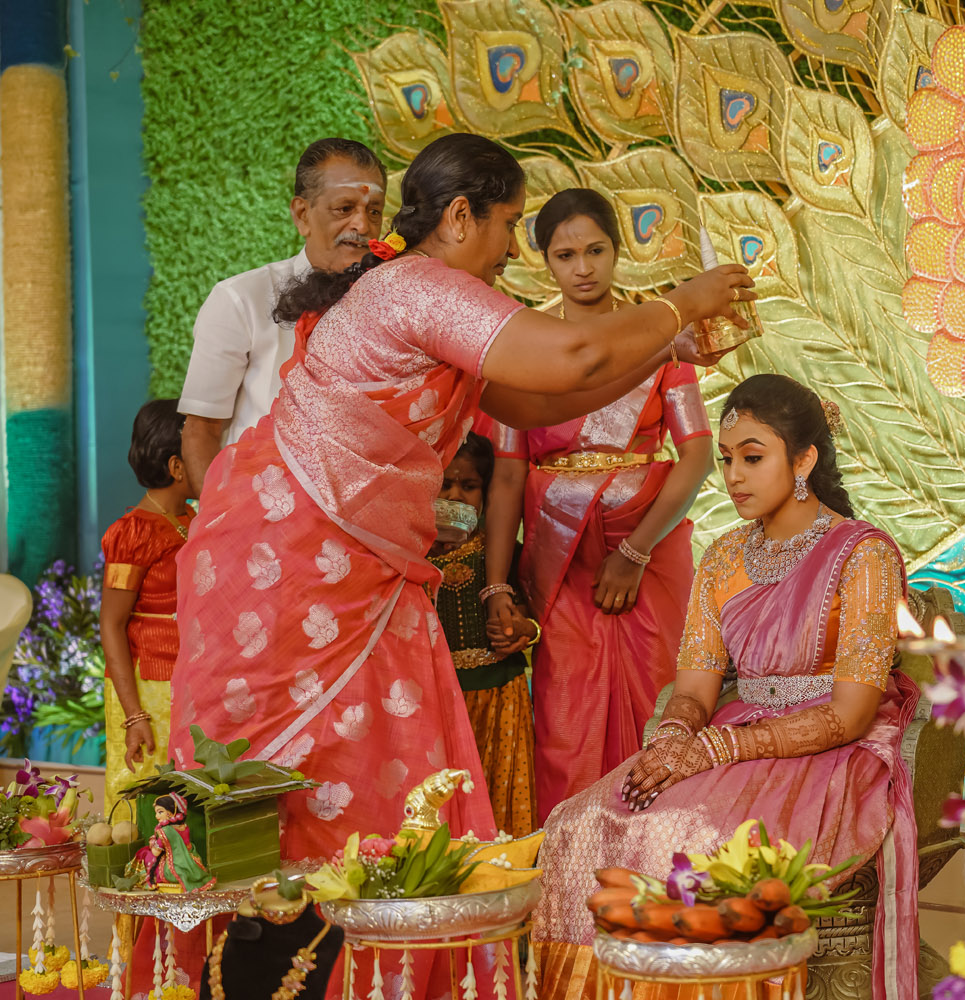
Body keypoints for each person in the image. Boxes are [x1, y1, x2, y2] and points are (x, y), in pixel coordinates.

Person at [166, 132, 750, 997]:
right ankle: (281, 966)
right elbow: (572, 357)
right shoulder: (417, 288)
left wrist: (668, 351)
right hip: (299, 568)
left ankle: (370, 966)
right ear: (461, 215)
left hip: (359, 574)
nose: (516, 247)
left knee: (372, 768)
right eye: (510, 223)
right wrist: (677, 303)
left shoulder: (417, 292)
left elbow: (535, 393)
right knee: (300, 777)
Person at [534, 374, 919, 1000]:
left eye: (753, 457)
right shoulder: (722, 556)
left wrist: (713, 751)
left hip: (825, 750)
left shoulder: (863, 554)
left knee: (701, 842)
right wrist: (672, 739)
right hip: (728, 735)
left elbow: (851, 715)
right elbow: (694, 688)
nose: (733, 476)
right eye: (727, 460)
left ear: (804, 460)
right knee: (579, 823)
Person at [482, 188, 715, 821]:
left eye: (595, 250)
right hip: (562, 563)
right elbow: (508, 475)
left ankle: (664, 862)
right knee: (566, 721)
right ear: (544, 263)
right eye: (565, 255)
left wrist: (635, 552)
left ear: (618, 251)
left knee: (661, 703)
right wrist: (496, 584)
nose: (582, 268)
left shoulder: (662, 335)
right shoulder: (519, 344)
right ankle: (571, 876)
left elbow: (697, 455)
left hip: (650, 551)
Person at [178, 137, 387, 495]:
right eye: (344, 209)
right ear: (302, 215)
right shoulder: (242, 299)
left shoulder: (392, 305)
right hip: (258, 521)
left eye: (374, 211)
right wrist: (216, 528)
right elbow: (202, 430)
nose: (363, 225)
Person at [429, 433, 537, 836]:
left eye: (469, 486)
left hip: (499, 698)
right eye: (445, 484)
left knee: (496, 798)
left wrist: (526, 631)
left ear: (488, 492)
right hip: (438, 702)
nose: (456, 495)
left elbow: (533, 619)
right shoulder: (411, 556)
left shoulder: (499, 551)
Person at [99, 400, 195, 810]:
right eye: (200, 450)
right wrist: (135, 715)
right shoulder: (132, 534)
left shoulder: (192, 518)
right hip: (149, 686)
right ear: (176, 467)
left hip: (190, 676)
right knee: (148, 797)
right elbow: (111, 624)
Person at [127, 793, 216, 892]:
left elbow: (156, 852)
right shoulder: (184, 827)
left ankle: (147, 880)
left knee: (145, 853)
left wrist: (152, 842)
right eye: (156, 813)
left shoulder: (165, 831)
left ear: (171, 813)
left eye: (160, 812)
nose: (157, 816)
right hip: (192, 865)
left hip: (174, 866)